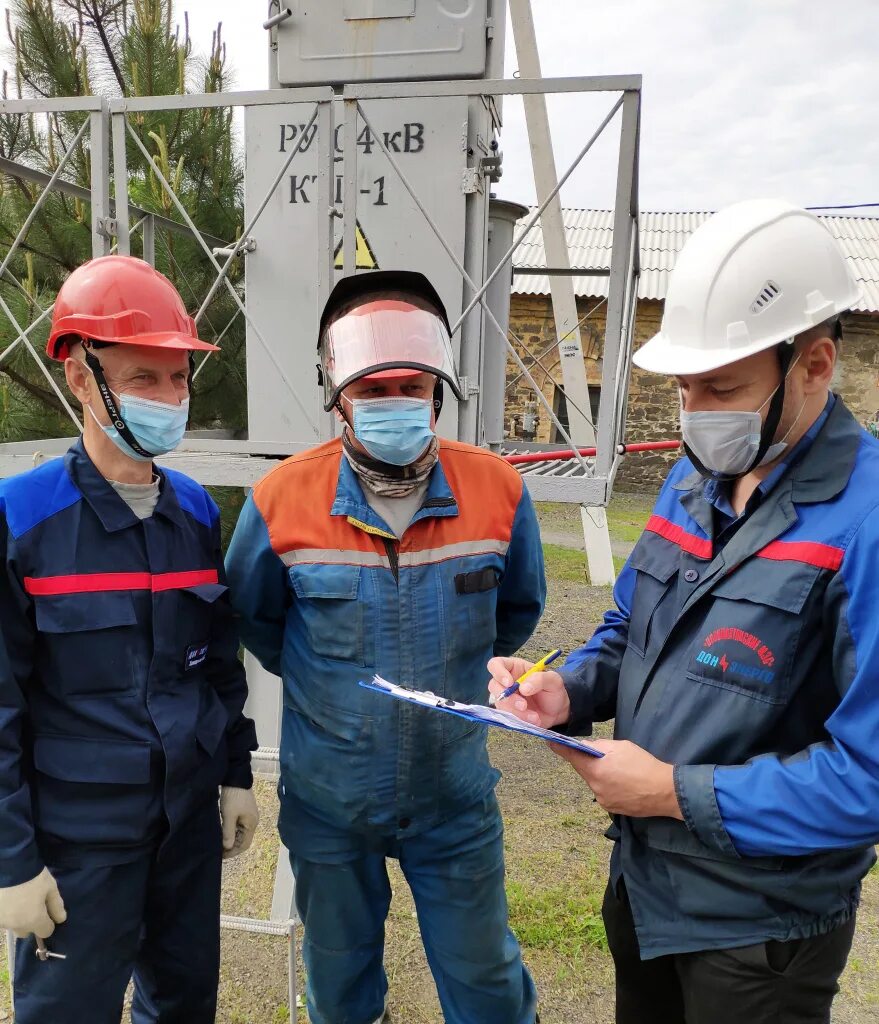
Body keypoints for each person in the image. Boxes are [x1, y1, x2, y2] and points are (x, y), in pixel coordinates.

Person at [488, 199, 879, 1024]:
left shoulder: (865, 524)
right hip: (646, 888)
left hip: (759, 931)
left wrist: (675, 793)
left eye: (723, 387)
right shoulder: (692, 478)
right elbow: (629, 629)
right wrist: (570, 690)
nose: (696, 412)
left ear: (813, 364)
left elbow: (868, 778)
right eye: (684, 387)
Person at [226, 270, 545, 1024]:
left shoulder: (497, 489)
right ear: (335, 392)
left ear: (436, 389)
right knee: (339, 989)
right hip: (329, 803)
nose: (395, 402)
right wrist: (336, 696)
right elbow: (259, 622)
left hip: (453, 801)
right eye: (374, 389)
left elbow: (516, 610)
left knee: (487, 984)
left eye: (411, 385)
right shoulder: (280, 500)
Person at [0, 255, 259, 1023]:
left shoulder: (194, 512)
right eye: (144, 379)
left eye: (179, 378)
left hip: (183, 831)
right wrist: (12, 860)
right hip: (79, 843)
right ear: (81, 378)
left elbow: (217, 659)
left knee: (183, 1005)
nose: (171, 398)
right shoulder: (21, 520)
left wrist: (236, 772)